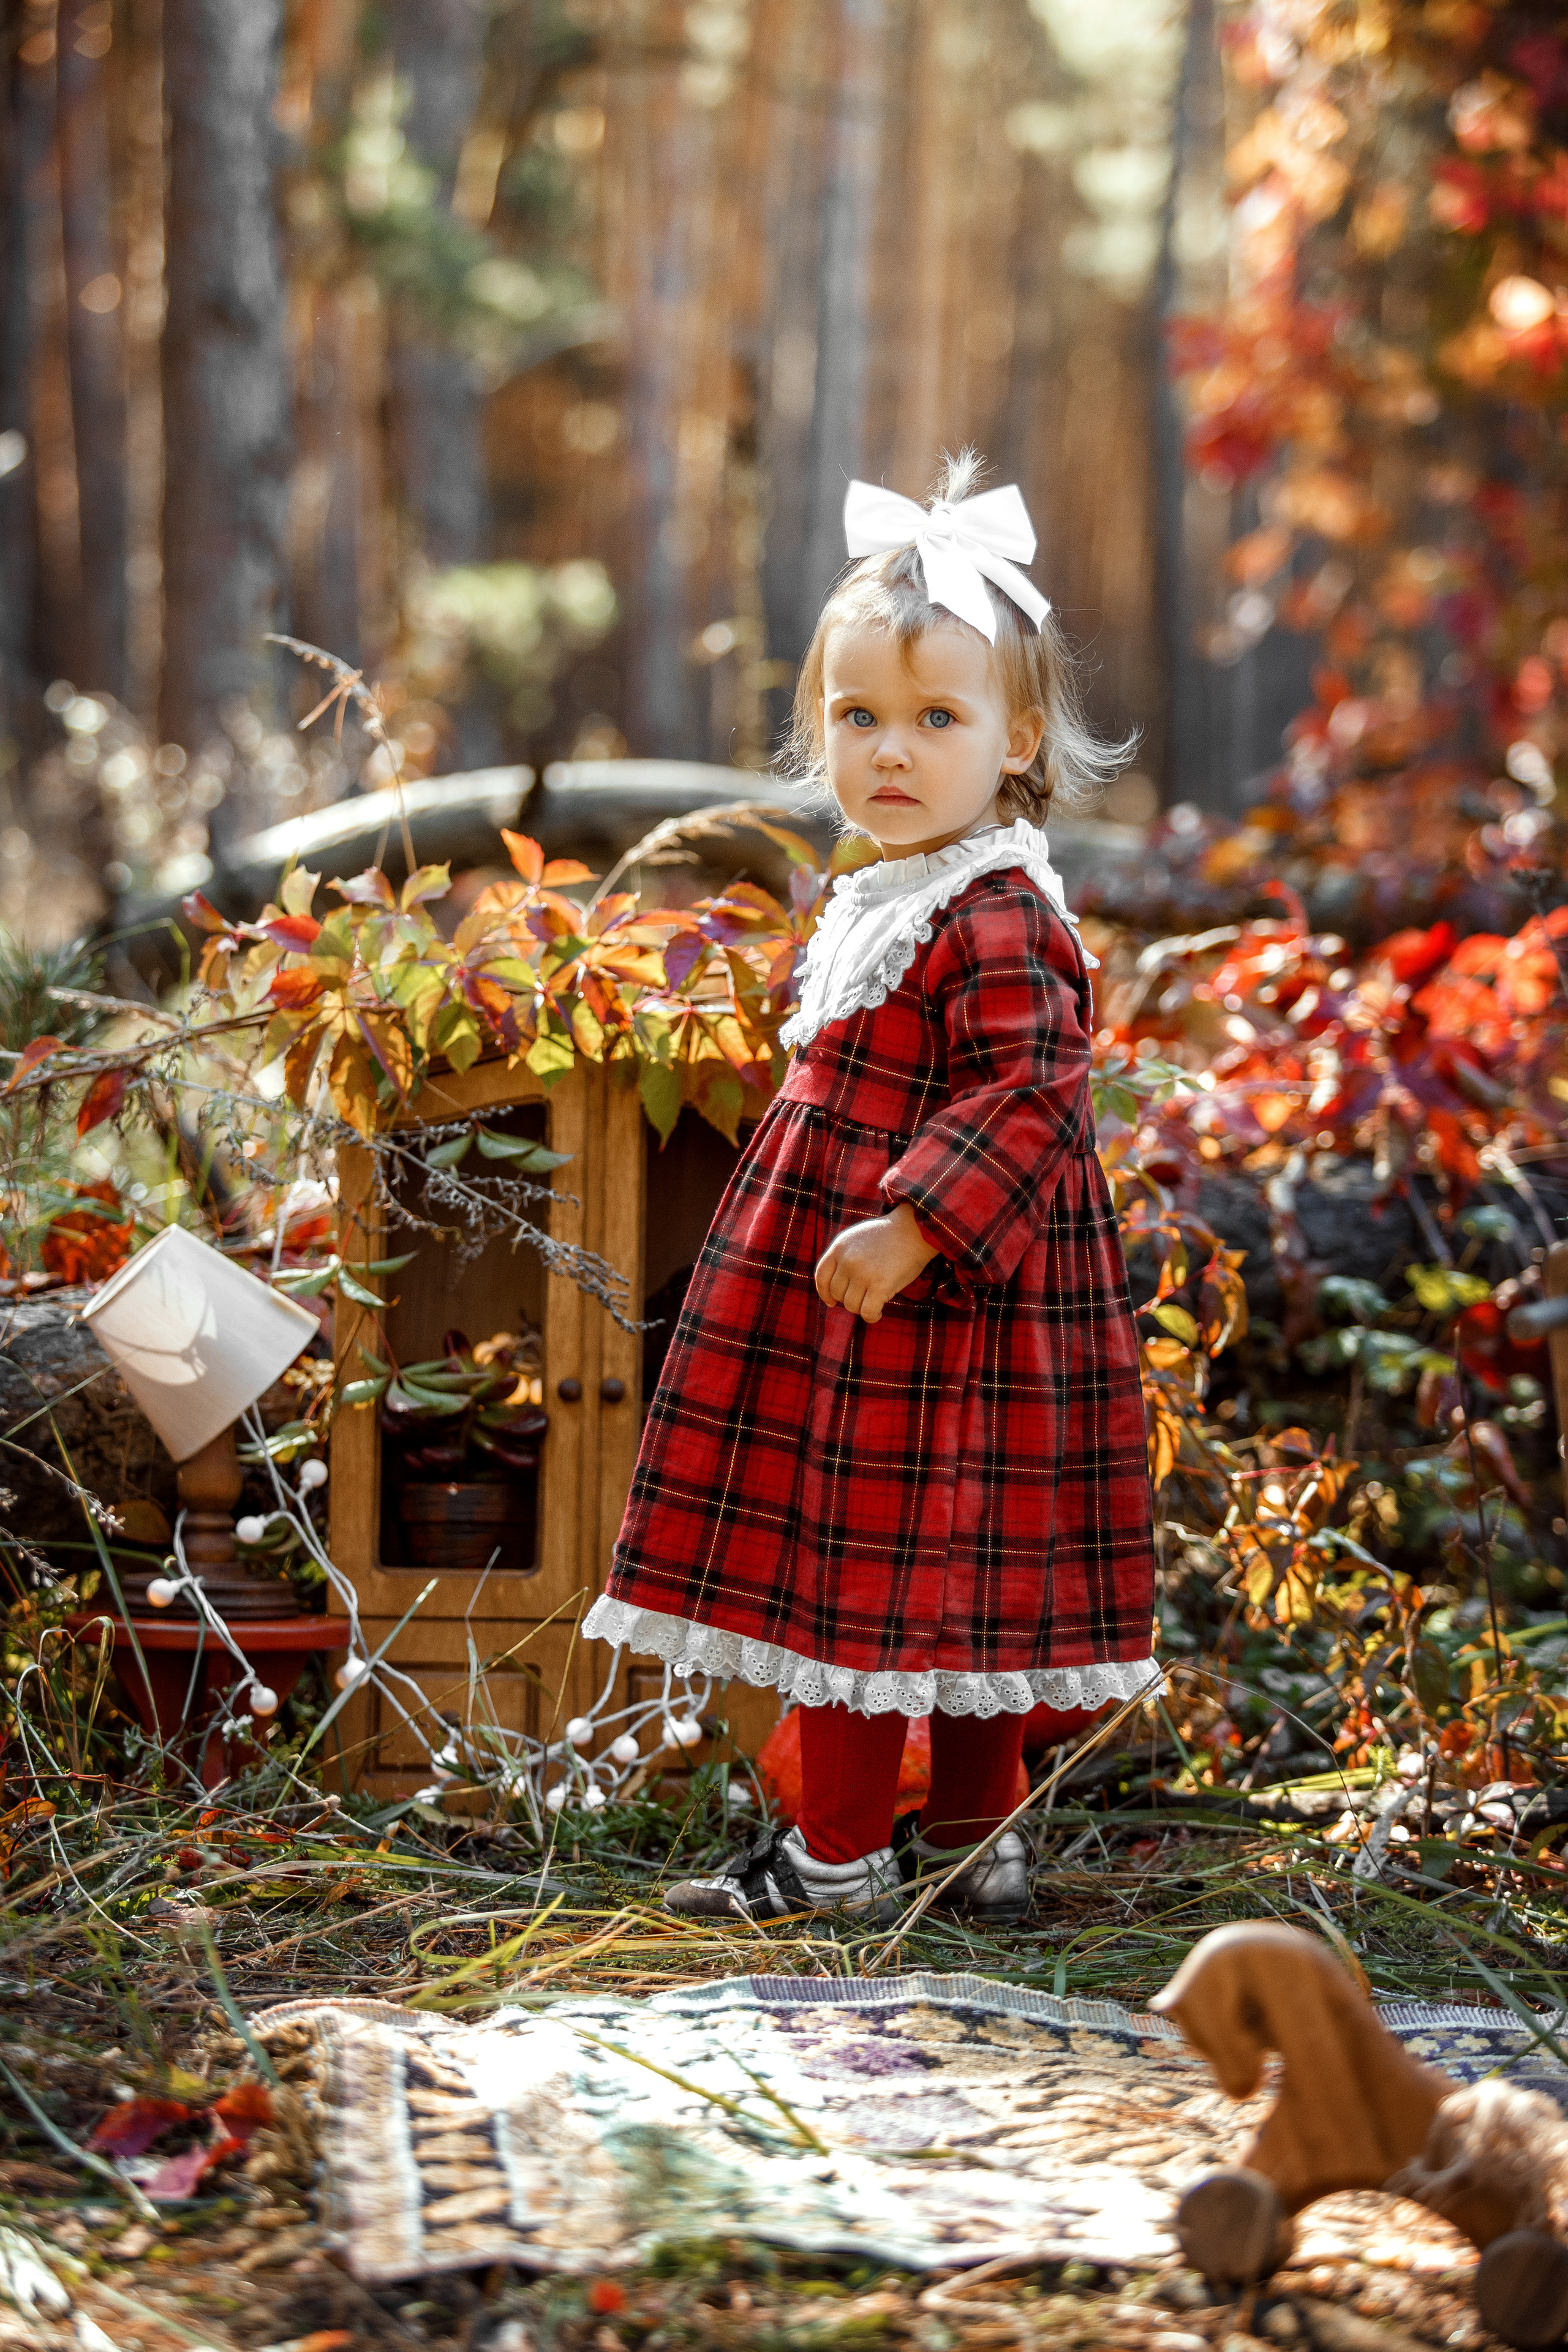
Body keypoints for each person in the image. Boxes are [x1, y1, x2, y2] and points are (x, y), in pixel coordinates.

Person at [582, 451, 1159, 1925]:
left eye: (935, 720)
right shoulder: (887, 895)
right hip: (847, 1304)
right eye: (856, 718)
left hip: (945, 1304)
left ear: (1016, 737)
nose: (889, 752)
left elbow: (1032, 1094)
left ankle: (855, 1854)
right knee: (900, 1563)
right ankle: (957, 1846)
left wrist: (916, 1223)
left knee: (896, 1568)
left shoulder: (1003, 910)